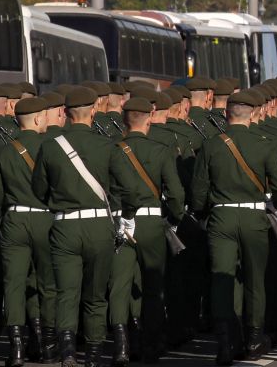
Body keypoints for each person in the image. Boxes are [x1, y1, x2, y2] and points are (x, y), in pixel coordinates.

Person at [30, 86, 135, 367]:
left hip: (65, 226)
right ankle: (92, 355)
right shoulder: (107, 145)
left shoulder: (51, 147)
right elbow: (129, 189)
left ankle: (66, 352)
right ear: (94, 111)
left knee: (67, 293)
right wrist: (127, 216)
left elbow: (38, 190)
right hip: (100, 226)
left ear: (65, 113)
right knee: (96, 296)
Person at [189, 89, 277, 365]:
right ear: (253, 114)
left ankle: (225, 340)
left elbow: (198, 191)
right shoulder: (264, 144)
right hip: (254, 218)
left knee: (223, 278)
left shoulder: (211, 145)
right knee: (255, 280)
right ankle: (254, 338)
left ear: (225, 115)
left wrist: (204, 210)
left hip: (221, 217)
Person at [106, 97, 185, 366]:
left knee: (119, 286)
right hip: (151, 223)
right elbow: (174, 193)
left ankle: (121, 346)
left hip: (119, 222)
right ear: (149, 118)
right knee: (152, 286)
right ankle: (150, 344)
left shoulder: (112, 150)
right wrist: (174, 219)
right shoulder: (161, 151)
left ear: (124, 119)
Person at [0, 96, 56, 367]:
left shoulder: (2, 152)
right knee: (46, 285)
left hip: (14, 220)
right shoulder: (51, 148)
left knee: (13, 284)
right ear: (39, 118)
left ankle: (15, 347)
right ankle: (45, 343)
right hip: (46, 219)